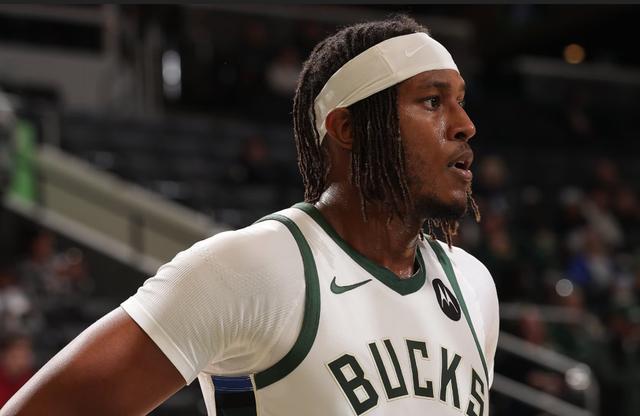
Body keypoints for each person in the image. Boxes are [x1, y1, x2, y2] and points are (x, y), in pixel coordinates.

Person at [1, 15, 499, 415]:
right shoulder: (253, 268)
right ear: (347, 129)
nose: (465, 125)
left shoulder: (474, 287)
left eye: (460, 102)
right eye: (432, 101)